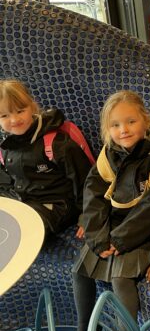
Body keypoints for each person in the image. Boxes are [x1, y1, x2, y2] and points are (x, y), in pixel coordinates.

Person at [66, 90, 150, 331]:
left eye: (131, 122)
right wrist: (97, 236)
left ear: (146, 120)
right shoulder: (109, 153)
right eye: (115, 125)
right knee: (79, 271)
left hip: (144, 231)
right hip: (112, 226)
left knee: (121, 280)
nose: (123, 130)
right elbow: (94, 193)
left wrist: (118, 240)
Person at [0, 79, 92, 237]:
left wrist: (88, 216)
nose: (14, 120)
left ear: (32, 107)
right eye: (4, 115)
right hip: (24, 201)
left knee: (21, 232)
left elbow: (86, 180)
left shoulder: (57, 145)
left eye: (20, 111)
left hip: (57, 205)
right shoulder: (6, 147)